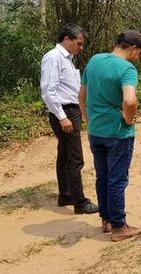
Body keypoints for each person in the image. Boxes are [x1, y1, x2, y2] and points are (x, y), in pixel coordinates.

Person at [79, 30, 141, 241]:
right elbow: (129, 101)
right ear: (134, 49)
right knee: (117, 180)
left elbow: (82, 94)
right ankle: (119, 226)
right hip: (117, 134)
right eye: (139, 53)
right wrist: (127, 119)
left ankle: (106, 220)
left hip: (95, 131)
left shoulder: (94, 60)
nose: (138, 57)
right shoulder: (127, 69)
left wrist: (87, 119)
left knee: (103, 177)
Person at [40, 24, 99, 215]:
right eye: (78, 43)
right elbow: (49, 91)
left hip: (70, 110)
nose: (80, 48)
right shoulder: (53, 58)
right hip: (64, 112)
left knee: (64, 155)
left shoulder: (67, 59)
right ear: (67, 39)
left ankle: (66, 194)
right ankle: (80, 202)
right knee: (75, 158)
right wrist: (62, 117)